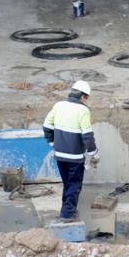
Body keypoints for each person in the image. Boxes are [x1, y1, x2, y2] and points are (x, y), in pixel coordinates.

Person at [43, 80, 99, 221]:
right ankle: (67, 214)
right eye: (87, 98)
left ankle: (66, 208)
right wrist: (94, 153)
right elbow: (87, 136)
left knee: (67, 183)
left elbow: (46, 125)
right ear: (83, 97)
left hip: (59, 155)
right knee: (74, 185)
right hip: (74, 157)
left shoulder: (58, 105)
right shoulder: (83, 110)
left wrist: (52, 142)